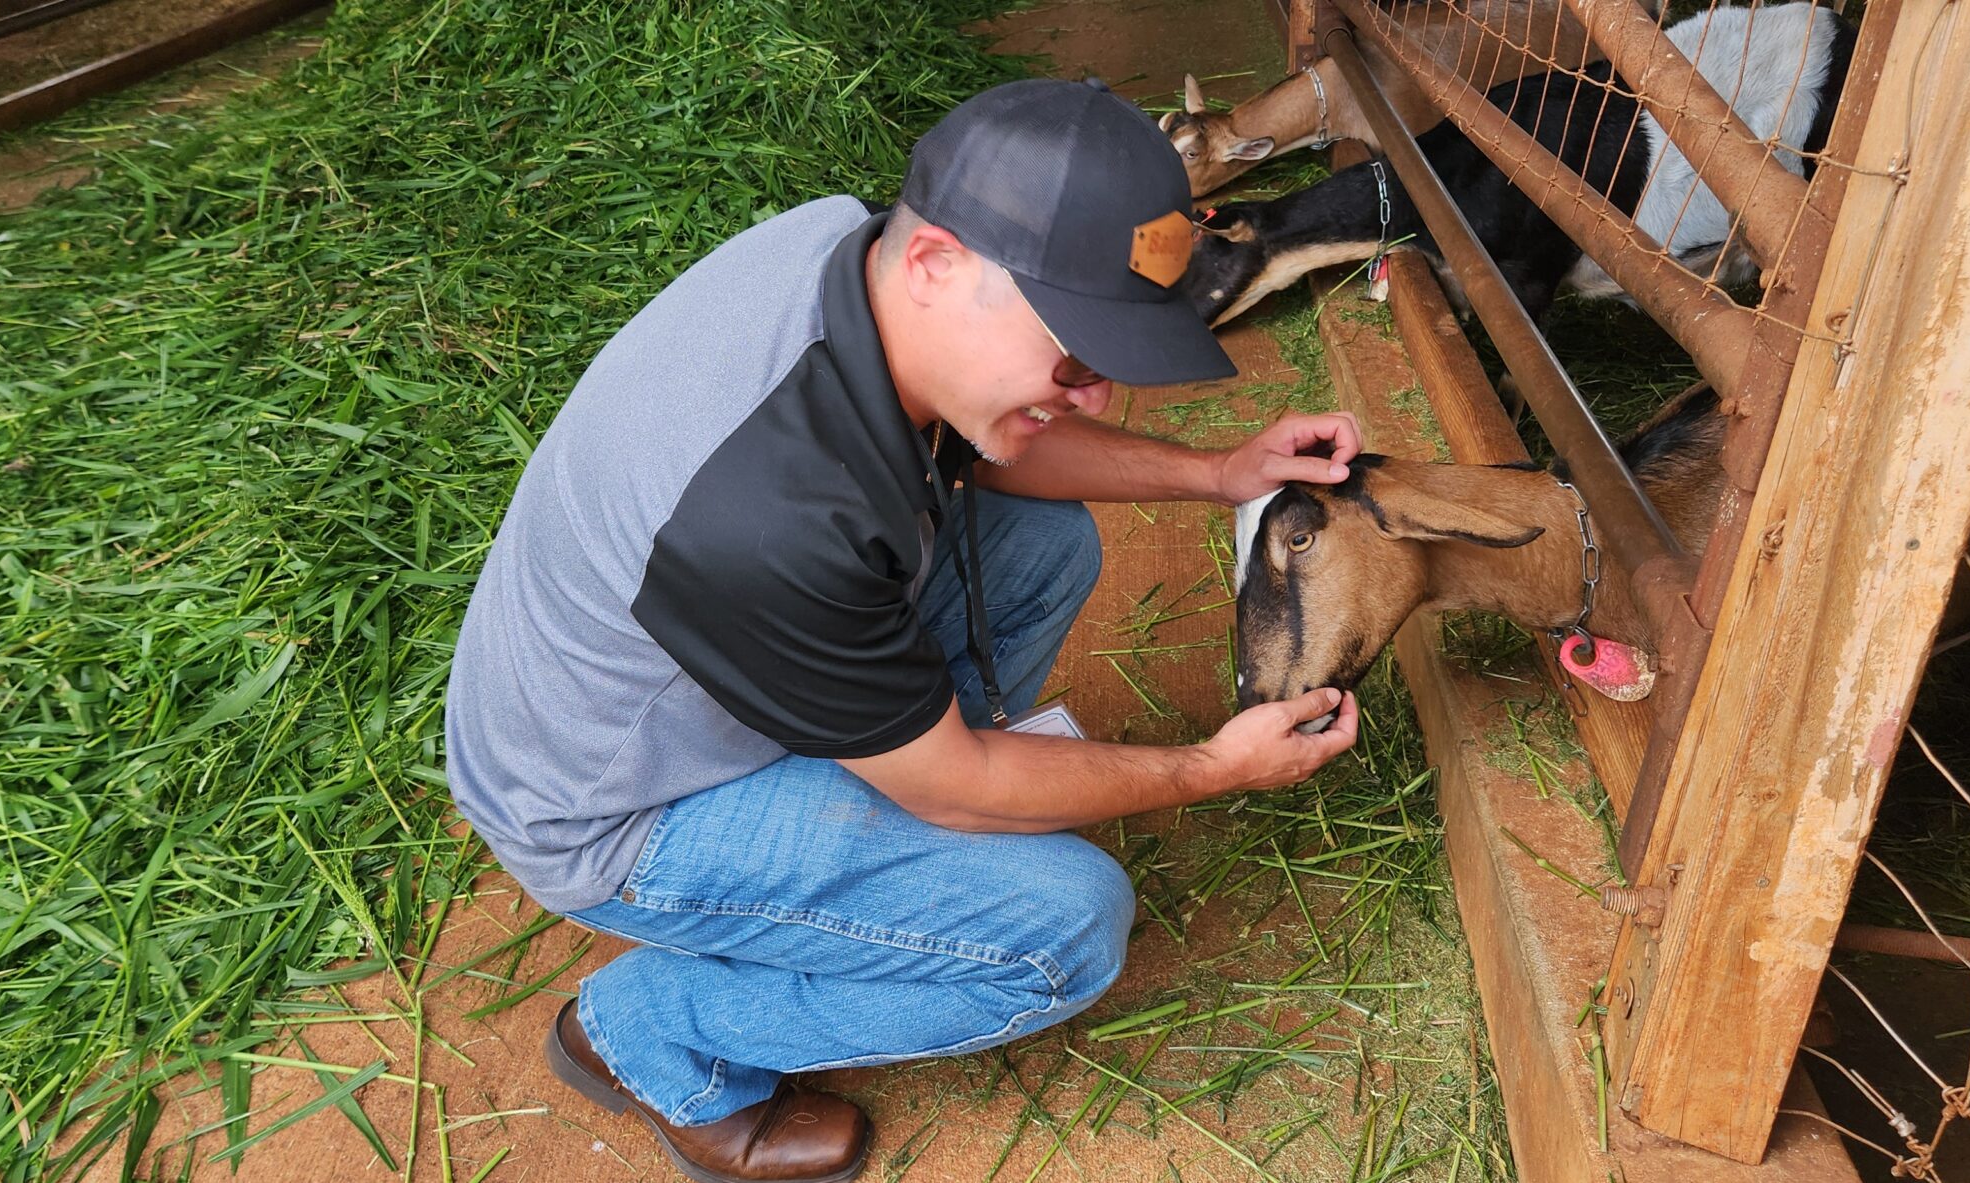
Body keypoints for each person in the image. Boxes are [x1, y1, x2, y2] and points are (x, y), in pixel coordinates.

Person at [445, 77, 1361, 1183]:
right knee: (1064, 929)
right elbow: (950, 777)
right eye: (1074, 357)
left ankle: (882, 824)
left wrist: (1220, 475)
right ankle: (650, 1028)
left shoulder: (857, 260)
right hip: (617, 809)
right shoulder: (774, 516)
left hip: (714, 677)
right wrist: (1210, 766)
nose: (1094, 396)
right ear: (937, 265)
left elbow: (993, 443)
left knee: (1046, 545)